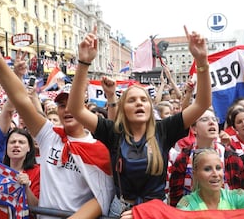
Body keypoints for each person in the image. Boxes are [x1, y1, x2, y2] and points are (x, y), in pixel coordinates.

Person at [0, 20, 114, 218]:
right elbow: (19, 98)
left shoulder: (99, 149)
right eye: (62, 105)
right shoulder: (50, 135)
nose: (67, 109)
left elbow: (101, 199)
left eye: (72, 104)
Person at [67, 25, 211, 217]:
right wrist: (83, 63)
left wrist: (202, 61)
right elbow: (76, 109)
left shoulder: (164, 129)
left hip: (155, 211)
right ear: (123, 109)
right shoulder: (113, 131)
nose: (139, 104)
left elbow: (202, 104)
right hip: (120, 210)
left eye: (144, 100)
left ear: (151, 107)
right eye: (132, 100)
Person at [169, 108, 244, 206]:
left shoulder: (231, 158)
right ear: (194, 129)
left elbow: (241, 195)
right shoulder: (183, 158)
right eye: (204, 120)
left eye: (214, 120)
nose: (211, 123)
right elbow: (175, 197)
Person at [176, 148, 244, 210]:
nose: (215, 174)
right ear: (195, 174)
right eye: (207, 169)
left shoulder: (235, 197)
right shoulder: (186, 204)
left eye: (218, 168)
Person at [3, 128, 40, 207]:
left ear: (29, 148)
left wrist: (26, 188)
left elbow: (36, 208)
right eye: (12, 142)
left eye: (21, 142)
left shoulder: (38, 171)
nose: (16, 145)